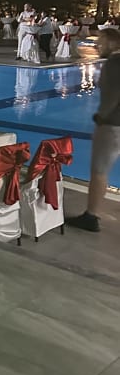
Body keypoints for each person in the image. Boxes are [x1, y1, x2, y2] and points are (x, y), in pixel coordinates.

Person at [70, 28, 120, 232]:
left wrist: (102, 117)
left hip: (113, 125)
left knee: (99, 171)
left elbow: (113, 95)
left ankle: (91, 216)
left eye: (101, 41)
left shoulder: (114, 63)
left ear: (112, 42)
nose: (97, 45)